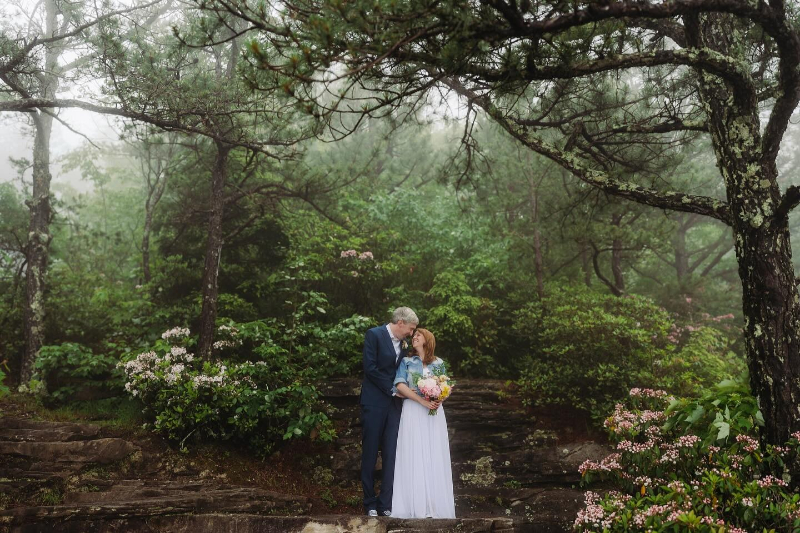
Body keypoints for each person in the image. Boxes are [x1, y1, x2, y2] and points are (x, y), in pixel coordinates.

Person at [391, 328, 456, 519]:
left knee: (434, 451)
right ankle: (414, 505)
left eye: (418, 335)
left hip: (434, 413)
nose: (414, 338)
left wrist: (439, 399)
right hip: (413, 410)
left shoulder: (439, 363)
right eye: (413, 336)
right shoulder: (406, 361)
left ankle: (435, 506)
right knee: (414, 452)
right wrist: (421, 401)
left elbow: (445, 386)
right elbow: (399, 384)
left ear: (427, 339)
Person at [360, 306, 418, 517]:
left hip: (394, 407)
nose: (411, 334)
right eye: (411, 329)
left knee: (392, 453)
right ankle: (369, 503)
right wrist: (394, 389)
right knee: (370, 451)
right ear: (400, 322)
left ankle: (385, 503)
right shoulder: (374, 334)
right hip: (374, 402)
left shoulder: (404, 345)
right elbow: (370, 368)